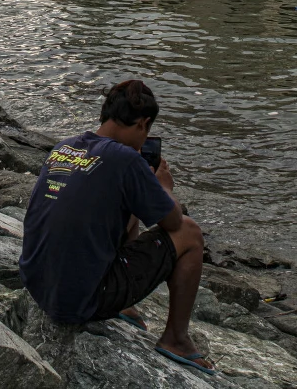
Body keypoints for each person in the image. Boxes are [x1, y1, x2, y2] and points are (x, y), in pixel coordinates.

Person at [20, 80, 213, 374]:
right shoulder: (125, 160)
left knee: (126, 205)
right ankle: (176, 338)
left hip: (39, 285)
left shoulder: (64, 147)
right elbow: (173, 223)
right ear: (144, 123)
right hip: (78, 302)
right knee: (190, 233)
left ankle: (126, 307)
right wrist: (164, 188)